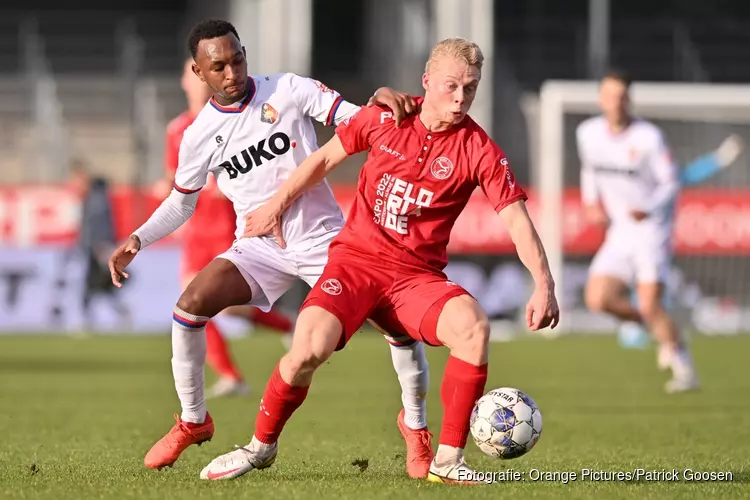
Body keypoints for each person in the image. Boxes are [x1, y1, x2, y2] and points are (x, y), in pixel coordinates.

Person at [199, 37, 560, 483]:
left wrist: (543, 283)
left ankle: (447, 461)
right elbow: (323, 160)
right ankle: (260, 447)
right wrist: (276, 204)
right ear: (427, 82)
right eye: (451, 86)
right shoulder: (387, 117)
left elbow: (517, 220)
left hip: (415, 278)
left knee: (473, 327)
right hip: (356, 263)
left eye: (470, 88)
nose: (460, 98)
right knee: (306, 350)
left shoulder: (478, 148)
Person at [108, 18, 433, 478]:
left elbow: (354, 121)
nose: (232, 72)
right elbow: (182, 204)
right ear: (199, 73)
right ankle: (193, 420)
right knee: (189, 306)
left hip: (325, 241)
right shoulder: (198, 135)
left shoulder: (288, 89)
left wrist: (378, 99)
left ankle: (416, 428)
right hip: (259, 246)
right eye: (218, 66)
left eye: (237, 59)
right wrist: (138, 238)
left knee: (396, 326)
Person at [162, 57, 297, 399]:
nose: (190, 79)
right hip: (197, 227)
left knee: (229, 306)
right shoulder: (177, 129)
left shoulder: (232, 120)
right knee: (190, 302)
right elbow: (174, 176)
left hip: (225, 222)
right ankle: (232, 375)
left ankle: (288, 325)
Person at [577, 70, 699, 393]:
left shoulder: (648, 137)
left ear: (629, 100)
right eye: (609, 95)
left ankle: (684, 366)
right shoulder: (588, 133)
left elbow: (672, 181)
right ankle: (661, 330)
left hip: (651, 232)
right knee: (597, 299)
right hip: (620, 232)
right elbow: (589, 169)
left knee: (649, 304)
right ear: (600, 99)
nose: (614, 102)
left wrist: (650, 205)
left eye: (621, 96)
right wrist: (591, 203)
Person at [617, 134, 744, 349]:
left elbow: (691, 174)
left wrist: (720, 158)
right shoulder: (640, 177)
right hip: (631, 239)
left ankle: (660, 335)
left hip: (657, 242)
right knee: (636, 285)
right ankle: (647, 330)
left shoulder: (670, 178)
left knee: (654, 287)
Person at [69, 159, 132, 332]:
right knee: (95, 285)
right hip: (91, 248)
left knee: (93, 284)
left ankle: (88, 320)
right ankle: (110, 315)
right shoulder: (91, 198)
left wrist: (99, 245)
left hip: (96, 249)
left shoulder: (96, 199)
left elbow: (100, 226)